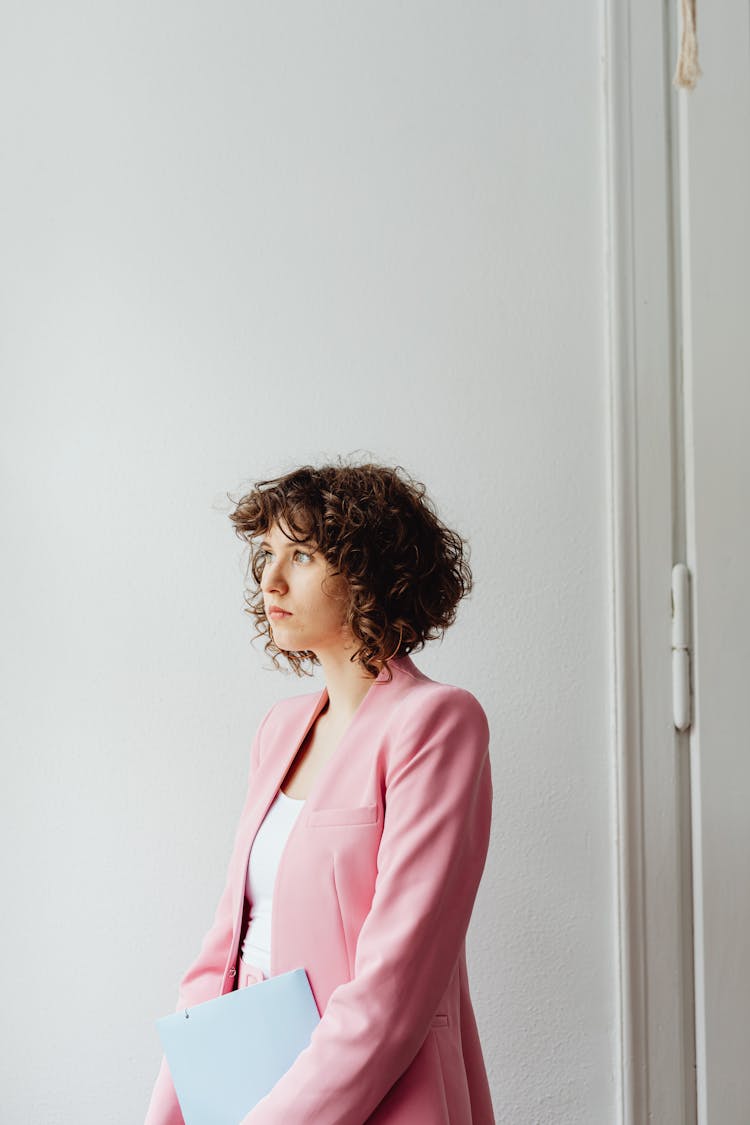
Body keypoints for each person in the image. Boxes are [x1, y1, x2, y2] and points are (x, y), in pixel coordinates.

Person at [144, 460, 495, 1125]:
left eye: (301, 553)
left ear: (371, 568)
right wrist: (170, 1107)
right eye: (267, 554)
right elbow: (223, 948)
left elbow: (392, 991)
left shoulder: (437, 723)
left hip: (376, 1096)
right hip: (239, 1079)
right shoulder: (279, 729)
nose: (271, 579)